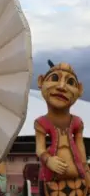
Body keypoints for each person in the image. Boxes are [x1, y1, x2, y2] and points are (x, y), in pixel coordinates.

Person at [35, 60, 90, 196]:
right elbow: (39, 149)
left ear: (80, 90)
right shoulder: (41, 122)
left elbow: (81, 148)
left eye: (70, 82)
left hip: (78, 178)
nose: (61, 87)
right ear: (41, 82)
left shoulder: (77, 122)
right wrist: (49, 160)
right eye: (54, 78)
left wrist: (86, 171)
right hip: (51, 179)